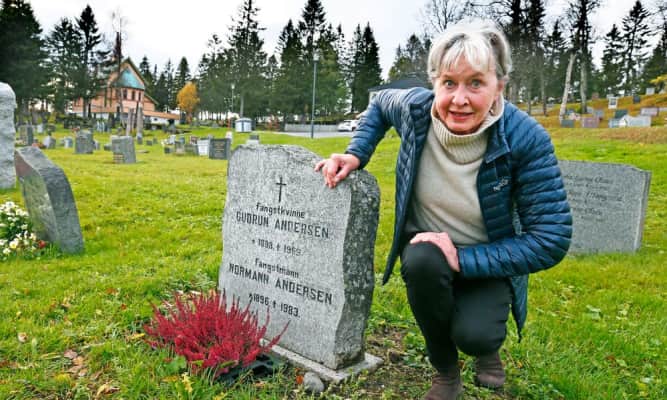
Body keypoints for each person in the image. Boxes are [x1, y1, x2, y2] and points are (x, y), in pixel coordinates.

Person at [315, 19, 572, 400]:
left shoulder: (525, 138)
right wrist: (356, 153)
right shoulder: (416, 109)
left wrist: (463, 260)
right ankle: (446, 371)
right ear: (434, 82)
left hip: (489, 255)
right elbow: (379, 104)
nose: (459, 99)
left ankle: (487, 350)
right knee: (421, 262)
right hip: (428, 249)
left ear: (499, 86)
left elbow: (552, 238)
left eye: (476, 83)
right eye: (449, 83)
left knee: (476, 335)